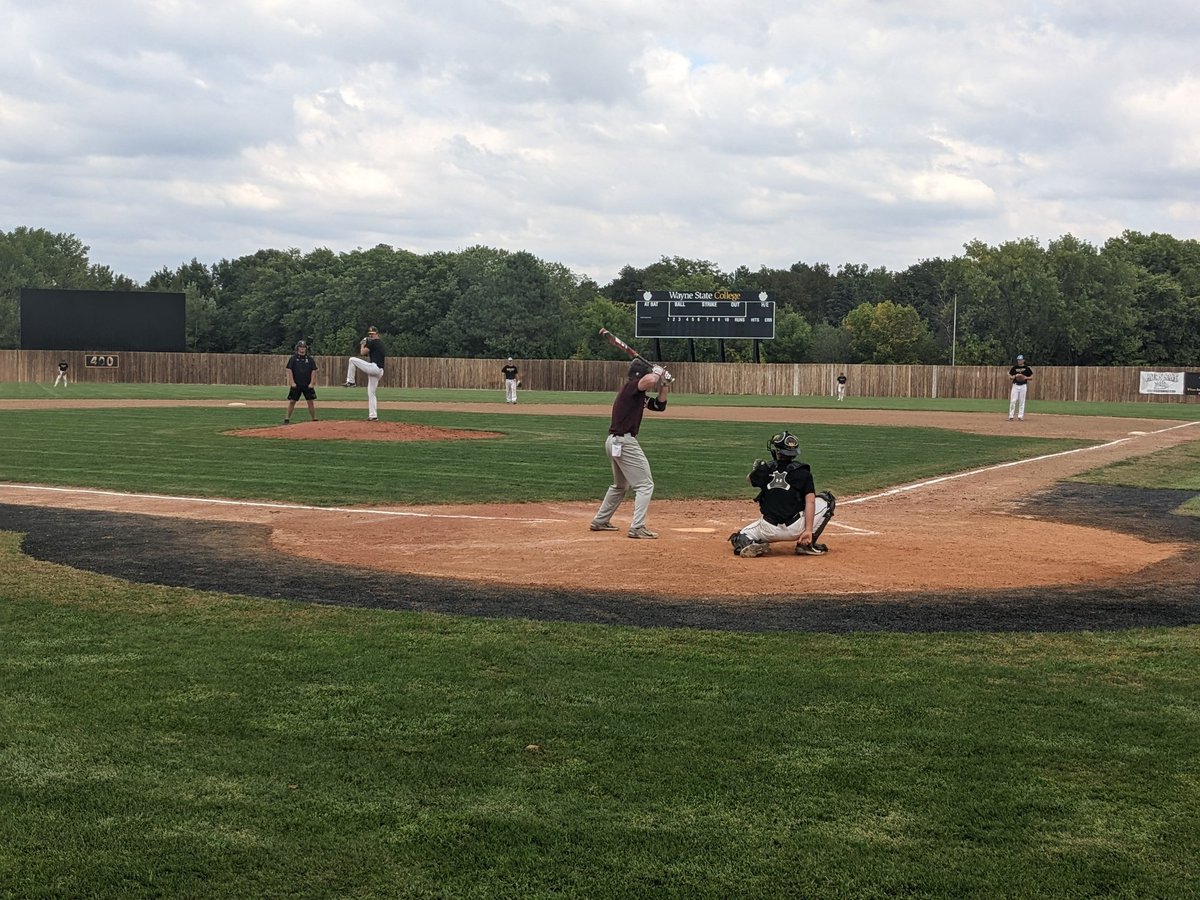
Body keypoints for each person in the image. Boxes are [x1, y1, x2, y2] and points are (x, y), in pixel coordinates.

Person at [589, 358, 671, 539]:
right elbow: (649, 381)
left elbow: (659, 406)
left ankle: (600, 520)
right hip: (624, 442)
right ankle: (637, 527)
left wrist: (664, 384)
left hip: (615, 442)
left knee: (620, 485)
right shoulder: (632, 387)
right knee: (645, 484)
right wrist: (657, 372)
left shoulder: (636, 394)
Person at [728, 430, 836, 557]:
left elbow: (749, 479)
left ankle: (751, 544)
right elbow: (810, 501)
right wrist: (808, 530)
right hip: (796, 528)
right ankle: (806, 544)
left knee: (739, 536)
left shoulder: (765, 469)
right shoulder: (803, 472)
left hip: (768, 529)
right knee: (828, 500)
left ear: (778, 451)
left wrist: (757, 470)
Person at [345, 326, 385, 421]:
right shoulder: (380, 343)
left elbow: (362, 352)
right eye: (370, 334)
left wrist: (362, 343)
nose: (371, 335)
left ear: (377, 334)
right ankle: (373, 415)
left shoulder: (374, 342)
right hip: (379, 371)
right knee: (371, 393)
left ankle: (351, 381)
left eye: (372, 334)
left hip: (374, 368)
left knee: (352, 360)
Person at [284, 340, 318, 424]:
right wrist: (292, 382)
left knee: (310, 401)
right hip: (296, 384)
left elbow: (314, 370)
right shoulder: (293, 358)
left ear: (306, 348)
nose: (302, 349)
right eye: (300, 347)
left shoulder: (309, 359)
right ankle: (287, 418)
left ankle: (314, 418)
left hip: (307, 384)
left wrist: (312, 383)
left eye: (303, 347)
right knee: (292, 401)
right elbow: (289, 369)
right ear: (297, 348)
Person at [1008, 353, 1034, 421]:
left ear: (1023, 360)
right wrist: (1014, 377)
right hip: (1015, 385)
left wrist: (1025, 377)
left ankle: (1020, 416)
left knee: (1022, 401)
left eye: (1020, 360)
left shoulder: (1027, 368)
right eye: (1018, 360)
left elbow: (1031, 377)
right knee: (1013, 401)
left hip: (1023, 386)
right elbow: (1010, 376)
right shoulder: (1014, 368)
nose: (1019, 361)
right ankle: (1011, 416)